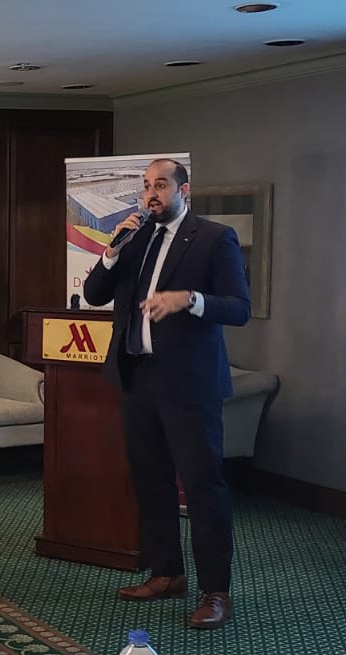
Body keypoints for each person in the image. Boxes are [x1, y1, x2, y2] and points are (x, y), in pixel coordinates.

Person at [82, 158, 249, 630]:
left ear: (184, 190)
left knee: (201, 487)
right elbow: (95, 294)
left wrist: (189, 300)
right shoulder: (135, 238)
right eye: (146, 186)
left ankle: (215, 591)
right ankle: (167, 573)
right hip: (138, 379)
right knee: (150, 481)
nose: (151, 194)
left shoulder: (214, 238)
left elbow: (239, 308)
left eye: (161, 185)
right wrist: (111, 251)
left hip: (189, 385)